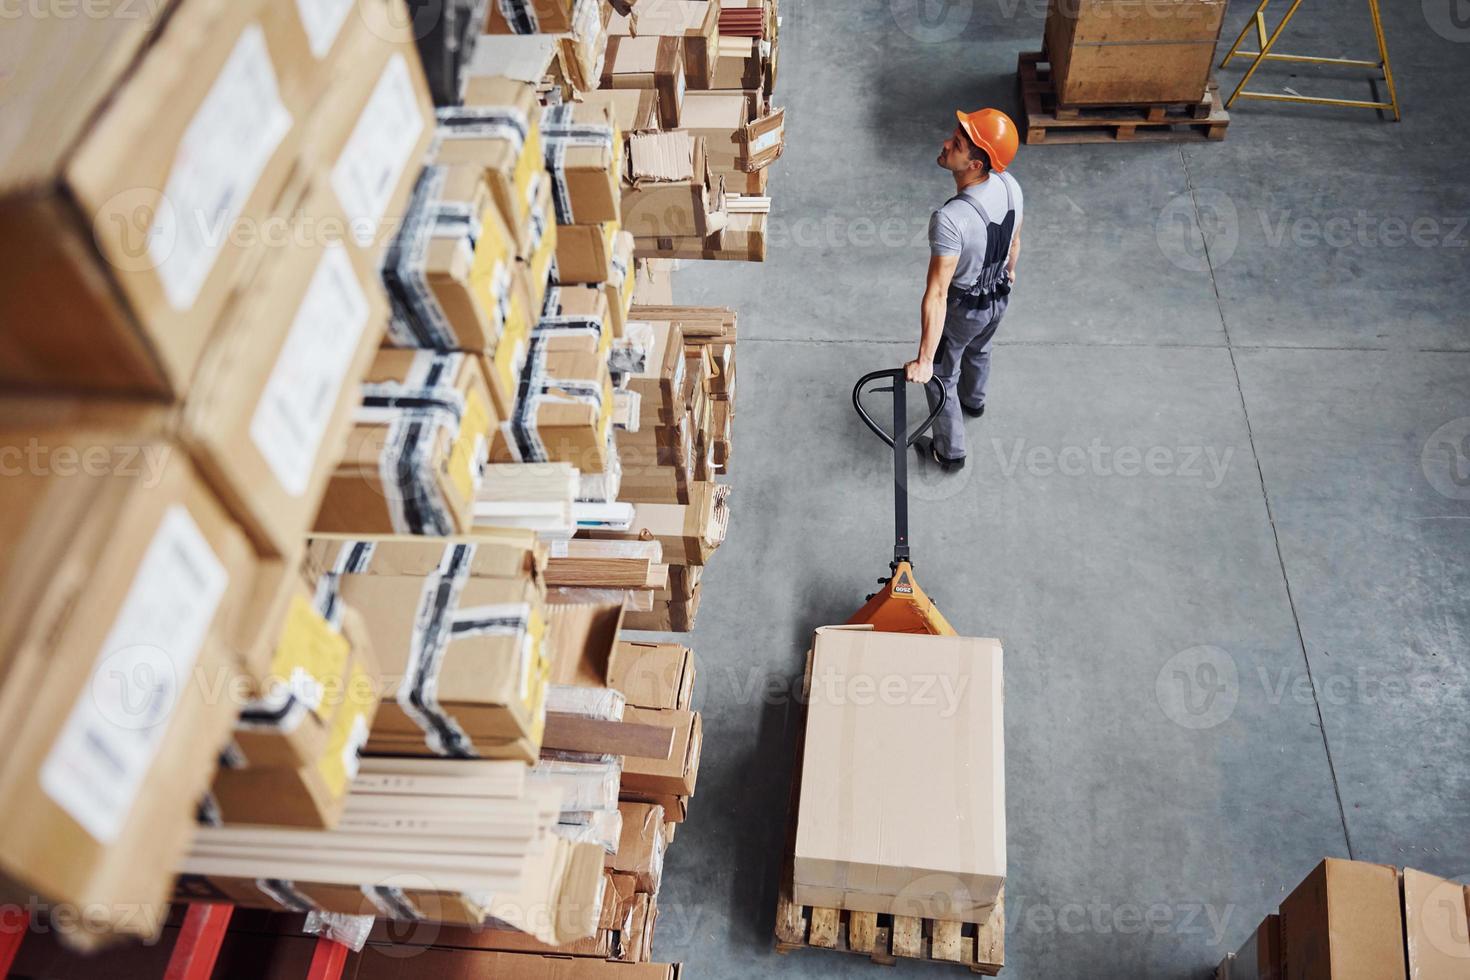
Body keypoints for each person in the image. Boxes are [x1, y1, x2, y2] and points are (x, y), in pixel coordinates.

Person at [905, 108, 1023, 471]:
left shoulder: (951, 220)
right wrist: (1010, 273)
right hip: (1000, 294)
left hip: (964, 310)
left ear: (975, 164)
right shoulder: (1009, 185)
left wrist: (925, 360)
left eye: (956, 145)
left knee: (942, 374)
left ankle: (950, 452)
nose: (946, 144)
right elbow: (1014, 241)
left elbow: (938, 294)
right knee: (980, 347)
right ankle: (975, 401)